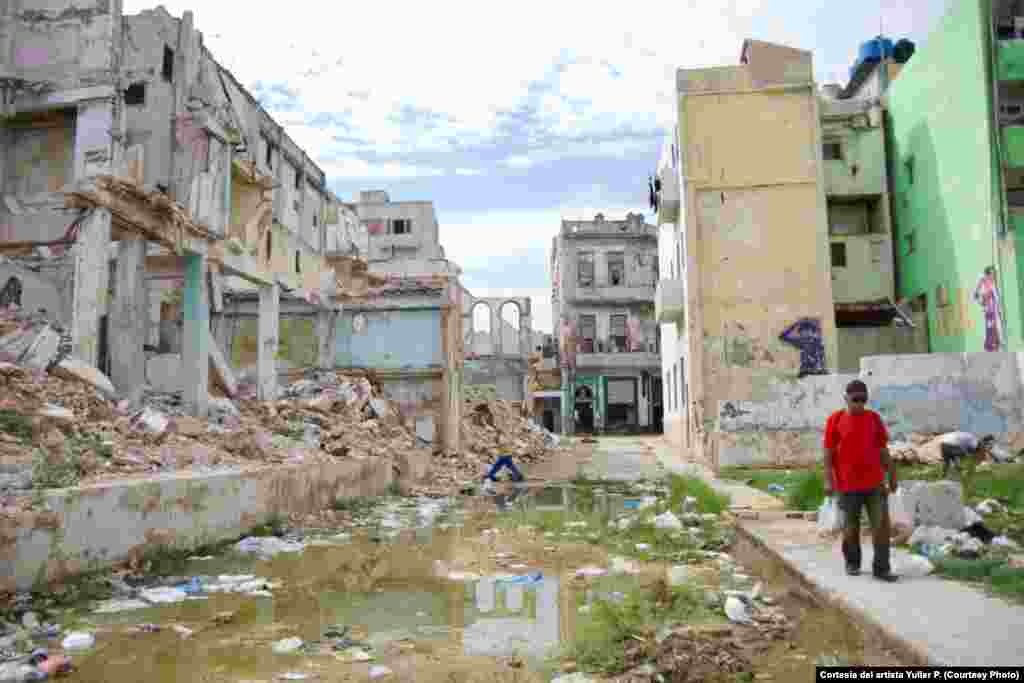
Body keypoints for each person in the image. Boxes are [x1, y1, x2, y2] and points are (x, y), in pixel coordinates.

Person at [823, 379, 899, 582]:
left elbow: (883, 451)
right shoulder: (835, 420)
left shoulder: (874, 419)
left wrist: (892, 474)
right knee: (851, 527)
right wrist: (828, 481)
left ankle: (882, 569)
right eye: (855, 399)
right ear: (846, 398)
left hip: (874, 483)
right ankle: (852, 562)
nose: (859, 403)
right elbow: (828, 455)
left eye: (863, 399)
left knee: (881, 526)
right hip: (847, 485)